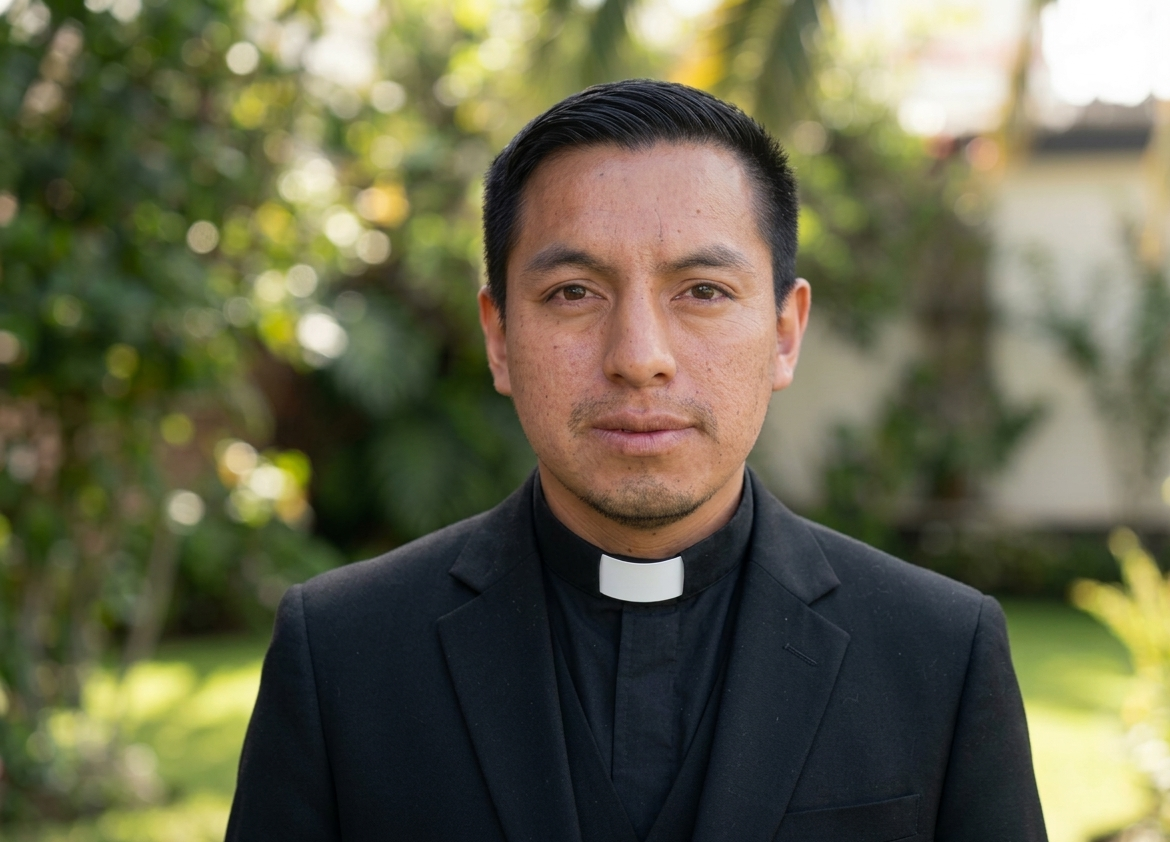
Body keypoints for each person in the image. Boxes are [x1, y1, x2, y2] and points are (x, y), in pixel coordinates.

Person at [226, 79, 1047, 842]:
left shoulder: (939, 653)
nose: (639, 357)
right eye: (574, 292)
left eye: (703, 291)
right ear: (500, 337)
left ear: (784, 334)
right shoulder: (343, 656)